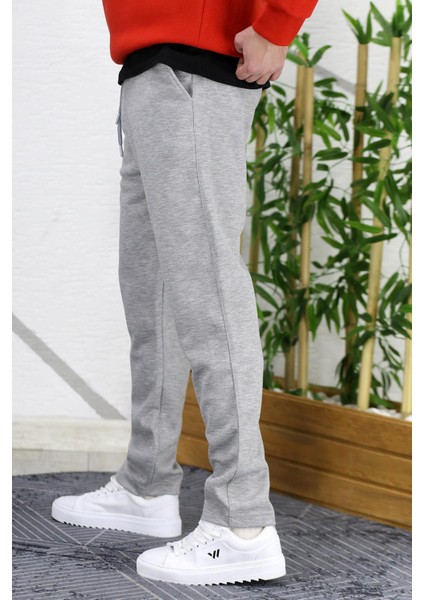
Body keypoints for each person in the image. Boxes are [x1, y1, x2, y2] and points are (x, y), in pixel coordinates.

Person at [51, 0, 319, 586]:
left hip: (194, 68)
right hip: (149, 70)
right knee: (150, 294)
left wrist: (277, 25)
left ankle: (242, 520)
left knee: (208, 293)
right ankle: (146, 484)